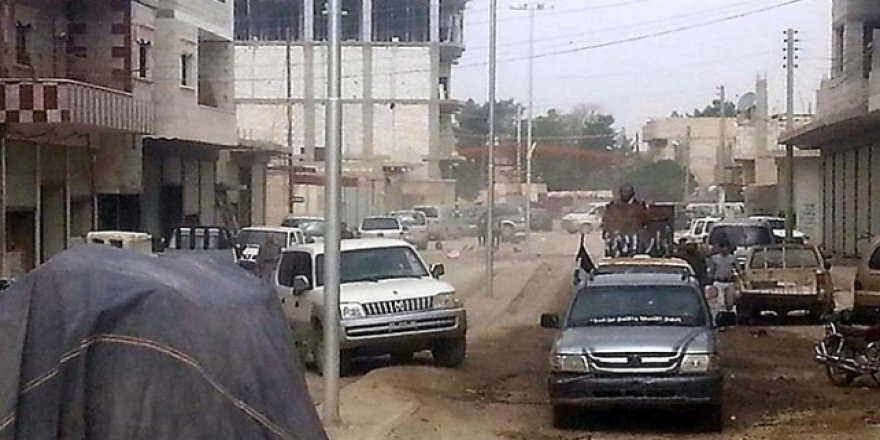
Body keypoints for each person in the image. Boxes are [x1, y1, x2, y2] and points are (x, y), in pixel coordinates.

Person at [602, 184, 649, 256]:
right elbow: (607, 221)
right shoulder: (613, 206)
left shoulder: (639, 206)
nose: (625, 194)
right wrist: (606, 231)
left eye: (627, 192)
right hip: (618, 236)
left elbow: (645, 220)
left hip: (635, 236)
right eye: (623, 192)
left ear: (632, 193)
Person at [708, 241, 739, 313]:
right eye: (723, 247)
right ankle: (721, 314)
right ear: (719, 248)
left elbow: (738, 269)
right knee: (720, 303)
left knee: (730, 303)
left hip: (729, 282)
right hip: (718, 282)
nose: (724, 249)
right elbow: (711, 271)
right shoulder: (714, 258)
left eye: (726, 247)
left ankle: (728, 313)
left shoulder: (733, 258)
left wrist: (737, 278)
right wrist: (710, 281)